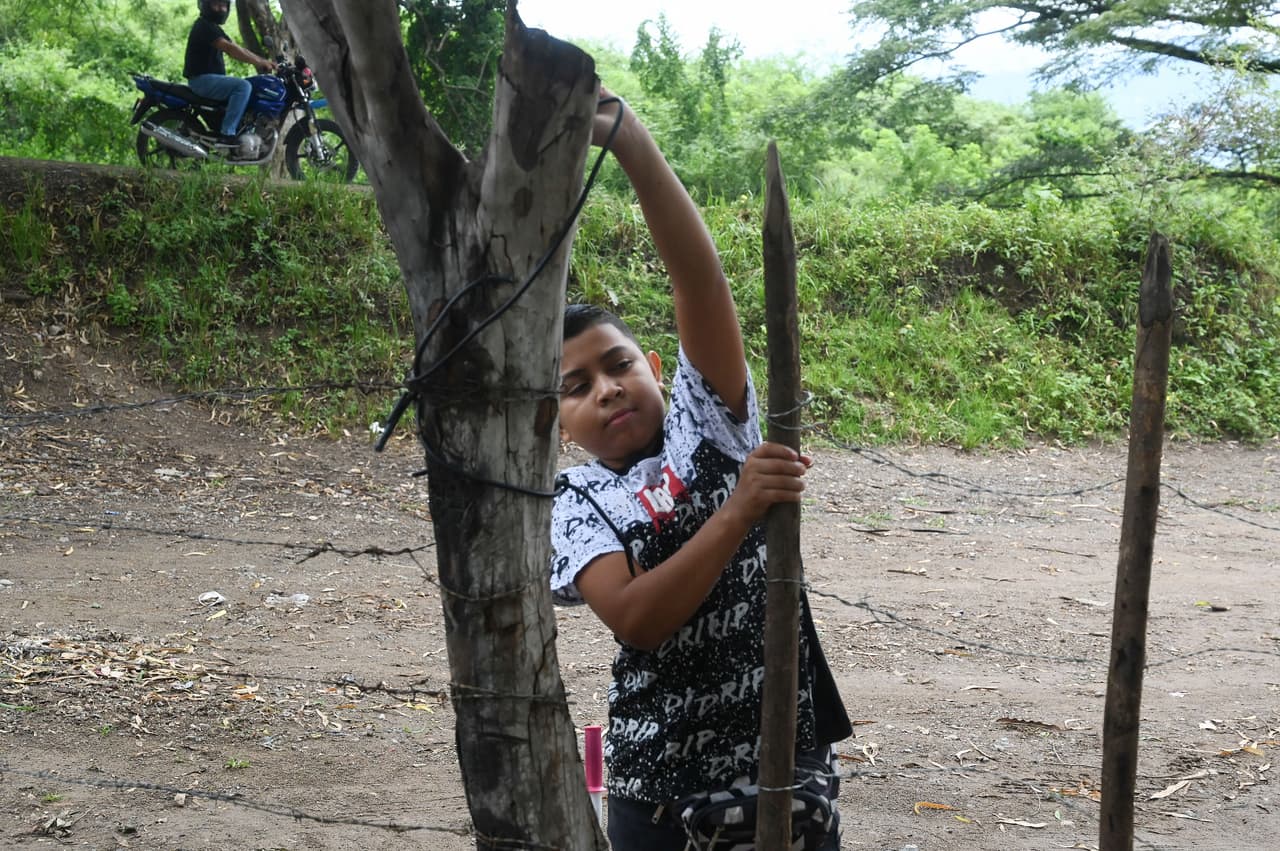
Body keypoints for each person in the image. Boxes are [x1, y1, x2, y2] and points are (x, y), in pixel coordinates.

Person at [550, 87, 852, 850]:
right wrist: (737, 509)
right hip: (658, 784)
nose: (606, 388)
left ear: (655, 368)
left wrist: (632, 144)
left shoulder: (707, 418)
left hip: (783, 751)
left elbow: (699, 280)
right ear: (553, 422)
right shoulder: (576, 498)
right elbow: (637, 618)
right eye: (575, 387)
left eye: (618, 365)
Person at [183, 0, 276, 148]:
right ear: (205, 5)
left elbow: (238, 48)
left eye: (224, 5)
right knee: (243, 87)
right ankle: (227, 134)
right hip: (201, 80)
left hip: (209, 80)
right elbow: (231, 49)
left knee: (251, 86)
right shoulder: (204, 26)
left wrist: (264, 61)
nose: (221, 9)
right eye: (216, 5)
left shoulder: (213, 28)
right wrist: (259, 62)